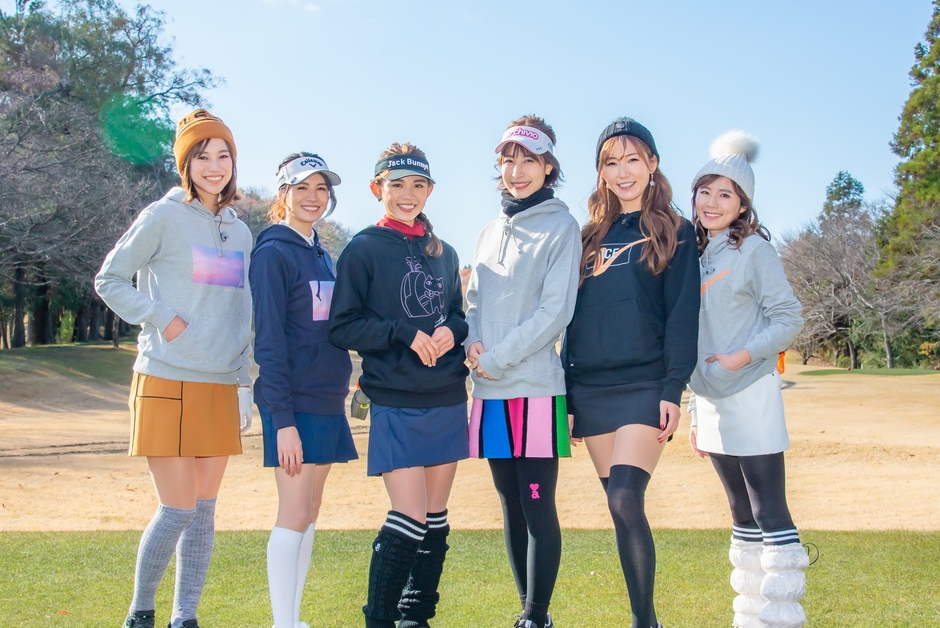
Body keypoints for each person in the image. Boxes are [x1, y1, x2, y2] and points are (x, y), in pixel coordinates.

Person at [95, 109, 253, 628]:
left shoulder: (241, 231)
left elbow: (244, 310)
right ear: (185, 163)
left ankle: (185, 617)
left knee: (204, 511)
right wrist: (163, 318)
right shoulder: (161, 216)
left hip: (220, 384)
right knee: (178, 509)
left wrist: (245, 381)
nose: (215, 166)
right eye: (202, 156)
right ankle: (140, 612)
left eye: (223, 155)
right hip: (165, 377)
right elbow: (109, 280)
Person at [562, 117, 700, 628]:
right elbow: (570, 321)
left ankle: (646, 622)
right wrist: (567, 395)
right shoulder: (587, 238)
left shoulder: (674, 231)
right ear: (601, 171)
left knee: (624, 498)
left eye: (633, 160)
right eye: (611, 162)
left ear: (652, 164)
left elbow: (683, 315)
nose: (623, 172)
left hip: (645, 385)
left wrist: (673, 388)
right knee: (619, 510)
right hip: (591, 389)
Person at [328, 143, 469, 628]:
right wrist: (402, 333)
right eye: (397, 184)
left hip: (447, 396)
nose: (408, 194)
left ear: (430, 191)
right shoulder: (363, 249)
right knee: (408, 517)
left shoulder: (445, 252)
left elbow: (457, 314)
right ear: (378, 189)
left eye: (418, 185)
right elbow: (342, 326)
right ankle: (380, 620)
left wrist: (454, 331)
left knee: (435, 519)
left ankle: (416, 618)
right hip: (394, 399)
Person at [686, 132, 807, 628]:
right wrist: (695, 412)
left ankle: (784, 617)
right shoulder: (694, 253)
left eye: (726, 194)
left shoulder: (754, 250)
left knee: (768, 512)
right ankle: (752, 617)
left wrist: (740, 356)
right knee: (740, 514)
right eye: (705, 191)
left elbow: (789, 318)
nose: (712, 203)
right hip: (711, 400)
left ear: (742, 205)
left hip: (750, 390)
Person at [464, 115, 581, 628]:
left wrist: (495, 358)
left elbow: (555, 313)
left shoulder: (562, 227)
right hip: (489, 392)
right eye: (508, 160)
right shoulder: (489, 230)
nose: (516, 170)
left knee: (536, 503)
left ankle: (537, 615)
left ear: (548, 166)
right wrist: (472, 344)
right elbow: (472, 302)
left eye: (528, 160)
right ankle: (525, 611)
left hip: (534, 389)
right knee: (509, 504)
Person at [249, 152, 358, 628]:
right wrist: (283, 422)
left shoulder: (322, 254)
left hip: (326, 399)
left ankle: (294, 619)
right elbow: (269, 342)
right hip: (292, 403)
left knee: (310, 512)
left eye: (321, 189)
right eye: (302, 188)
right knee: (293, 512)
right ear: (283, 194)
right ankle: (282, 623)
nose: (313, 197)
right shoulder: (272, 253)